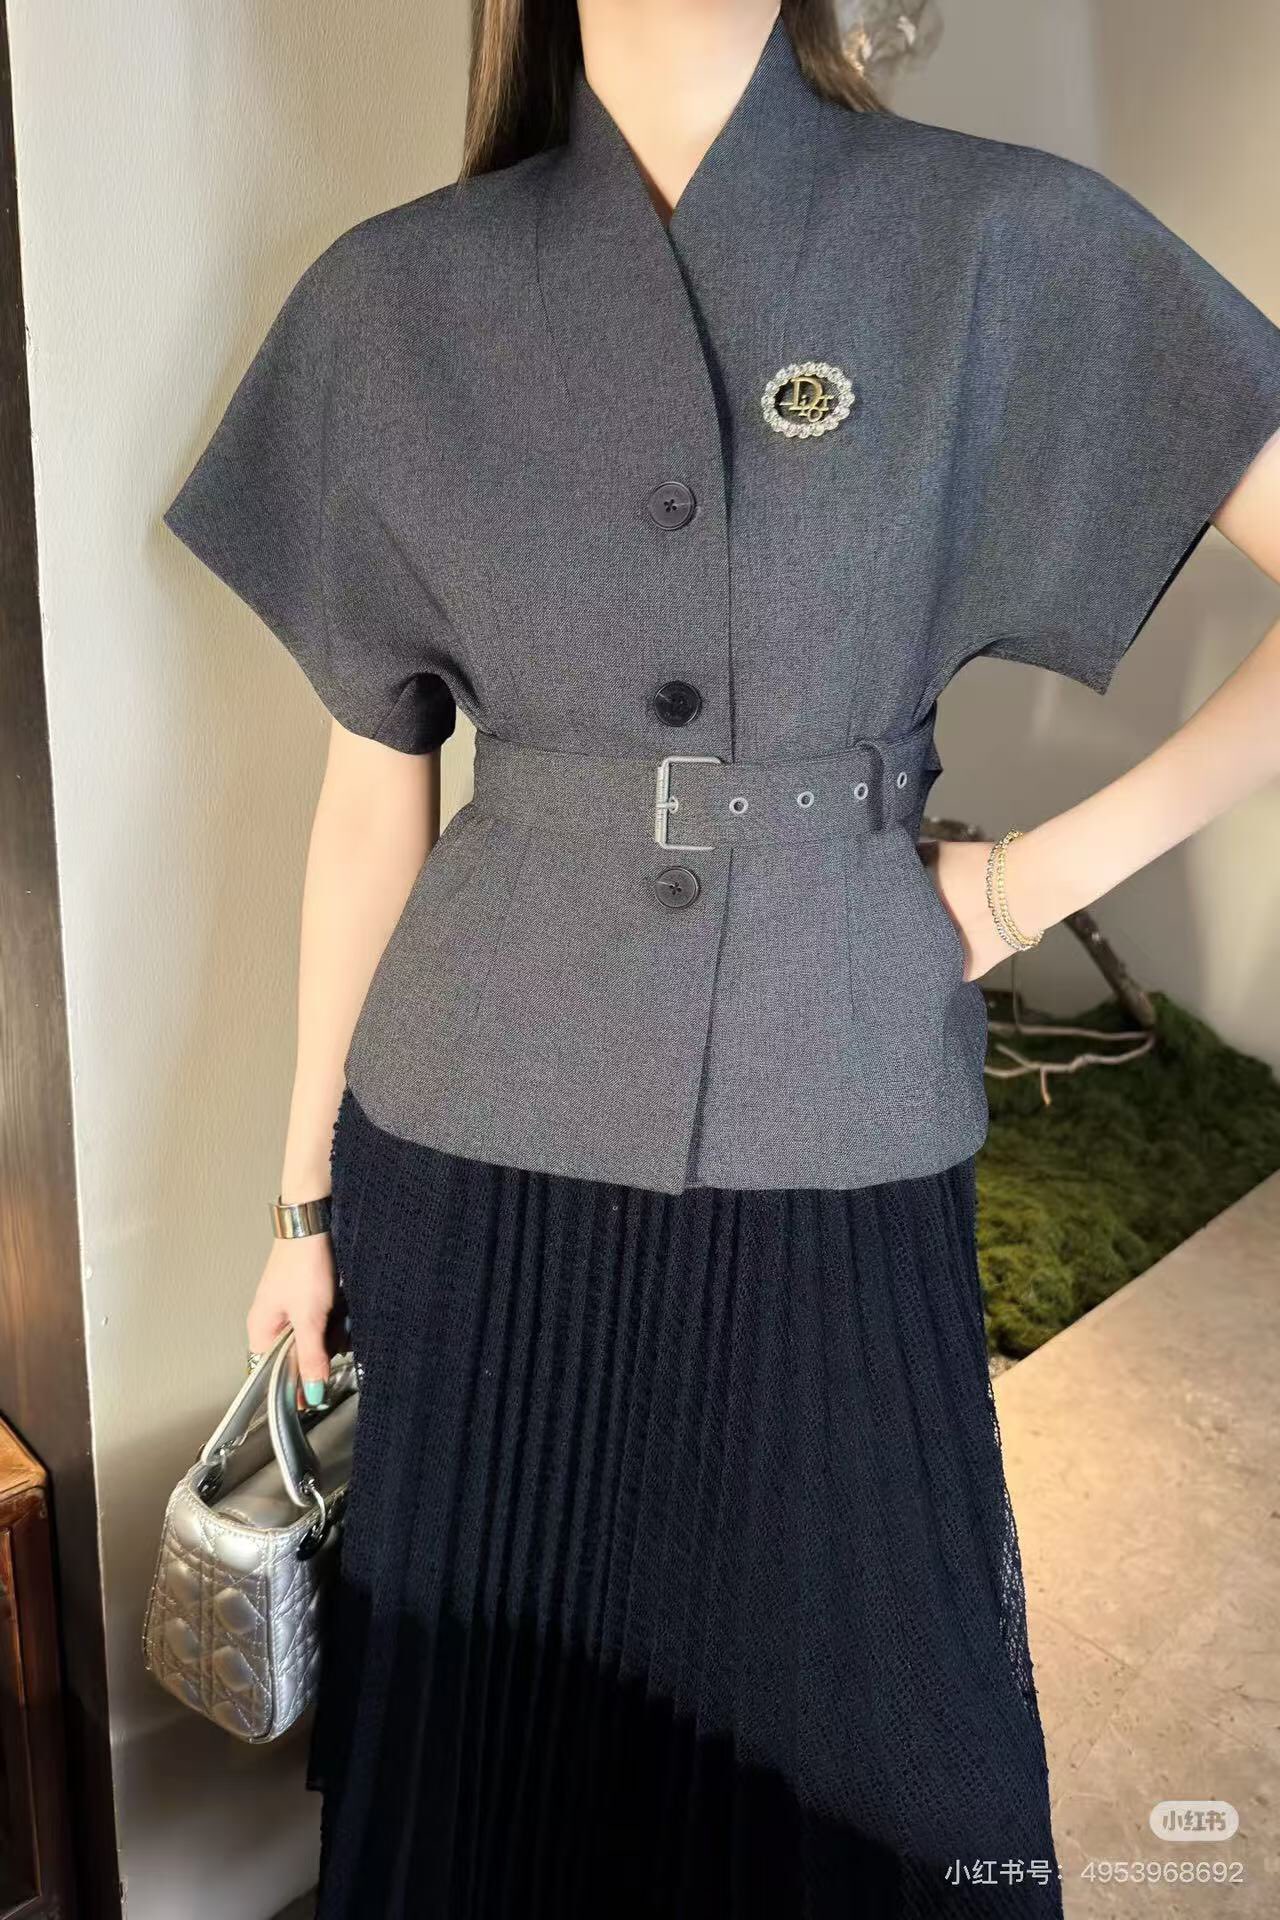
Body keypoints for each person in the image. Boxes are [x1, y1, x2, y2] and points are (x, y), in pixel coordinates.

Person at [160, 1, 1280, 1914]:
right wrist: (301, 1206)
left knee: (876, 1776)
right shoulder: (391, 301)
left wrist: (1027, 887)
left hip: (839, 1115)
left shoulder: (996, 238)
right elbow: (374, 797)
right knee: (497, 1779)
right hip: (472, 1151)